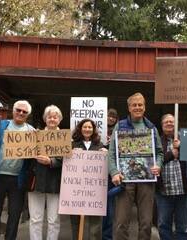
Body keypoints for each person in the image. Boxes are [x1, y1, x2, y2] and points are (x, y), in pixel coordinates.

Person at [108, 92, 164, 240]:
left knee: (146, 223)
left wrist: (158, 165)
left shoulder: (151, 128)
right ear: (129, 107)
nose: (137, 107)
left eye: (140, 105)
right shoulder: (120, 126)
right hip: (125, 180)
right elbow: (112, 152)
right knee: (121, 223)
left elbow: (159, 152)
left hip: (147, 180)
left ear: (144, 107)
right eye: (134, 105)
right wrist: (114, 172)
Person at [0, 100, 34, 240]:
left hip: (18, 179)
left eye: (24, 112)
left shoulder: (32, 131)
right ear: (13, 111)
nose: (20, 113)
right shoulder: (1, 125)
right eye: (18, 110)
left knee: (15, 214)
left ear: (28, 115)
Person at [28, 105, 63, 240]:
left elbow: (67, 160)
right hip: (37, 181)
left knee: (54, 220)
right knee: (35, 219)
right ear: (45, 119)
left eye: (55, 117)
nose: (52, 119)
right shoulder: (35, 135)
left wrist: (51, 161)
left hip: (56, 183)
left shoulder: (66, 138)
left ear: (59, 120)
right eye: (49, 117)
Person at [70, 118, 107, 240]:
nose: (87, 129)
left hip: (94, 191)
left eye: (90, 127)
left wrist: (105, 153)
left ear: (93, 130)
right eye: (84, 127)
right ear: (80, 129)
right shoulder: (72, 144)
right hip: (76, 189)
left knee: (95, 223)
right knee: (76, 221)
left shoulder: (99, 145)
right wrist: (71, 153)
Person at [156, 114, 187, 240]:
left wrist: (181, 147)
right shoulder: (157, 141)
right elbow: (154, 162)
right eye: (166, 122)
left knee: (183, 226)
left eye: (172, 122)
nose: (169, 124)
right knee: (164, 224)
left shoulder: (186, 140)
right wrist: (171, 154)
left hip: (184, 190)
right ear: (162, 125)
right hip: (164, 191)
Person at [102, 108, 119, 240]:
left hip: (112, 173)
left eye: (113, 117)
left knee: (110, 206)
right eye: (109, 116)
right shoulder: (97, 131)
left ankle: (107, 235)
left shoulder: (119, 131)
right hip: (98, 172)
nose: (111, 119)